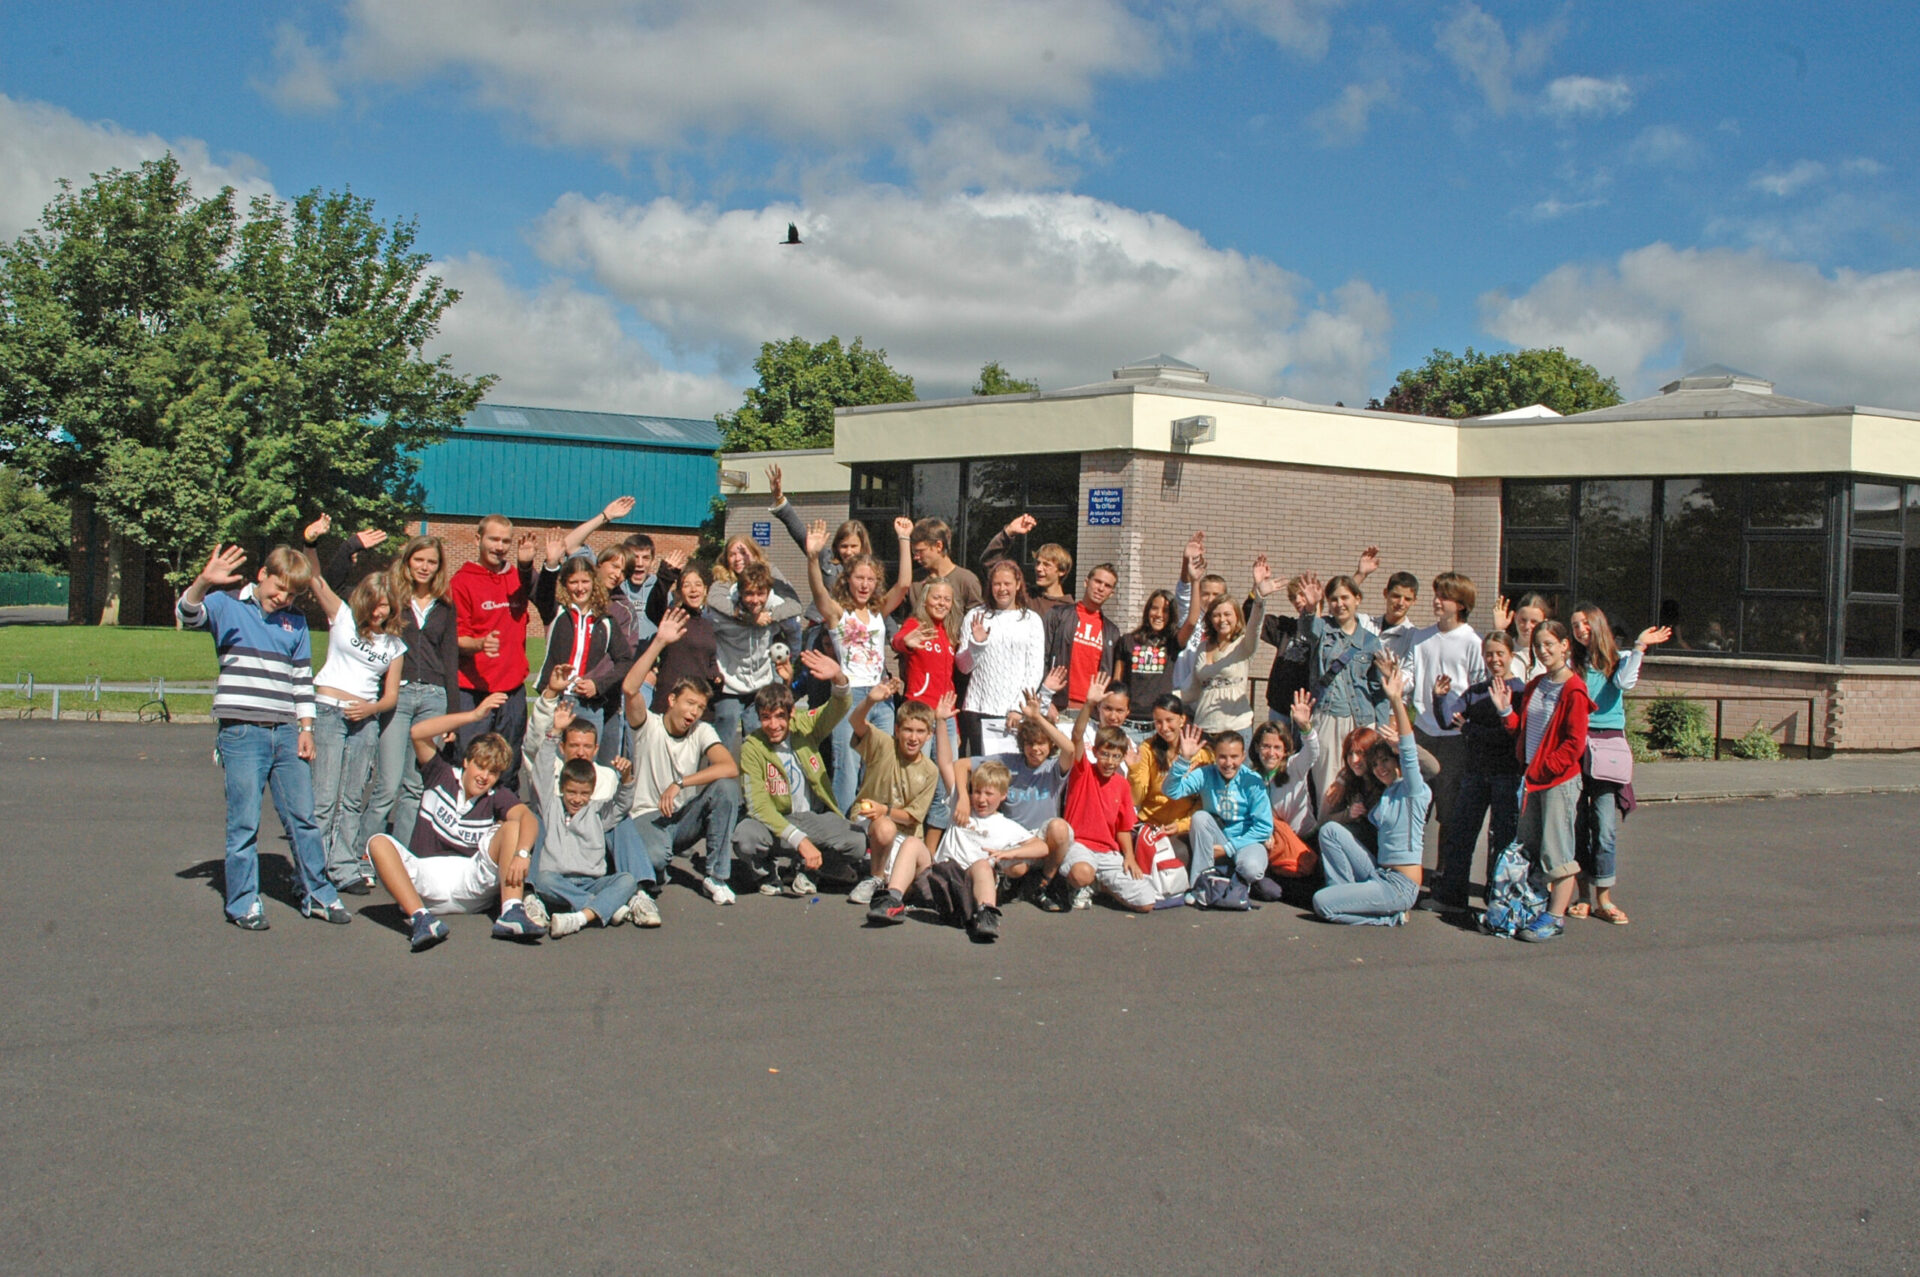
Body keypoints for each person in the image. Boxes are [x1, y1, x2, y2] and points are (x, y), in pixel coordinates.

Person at [177, 544, 349, 930]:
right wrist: (204, 581)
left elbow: (301, 680)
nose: (282, 598)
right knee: (244, 823)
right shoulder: (225, 606)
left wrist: (307, 728)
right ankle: (242, 902)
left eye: (291, 593)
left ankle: (318, 894)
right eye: (278, 588)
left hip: (287, 732)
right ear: (262, 574)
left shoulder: (296, 622)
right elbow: (186, 615)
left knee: (303, 818)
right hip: (241, 732)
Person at [363, 692, 546, 951]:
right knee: (378, 842)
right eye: (480, 767)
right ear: (467, 762)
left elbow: (528, 818)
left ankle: (511, 913)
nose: (484, 776)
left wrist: (523, 853)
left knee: (513, 826)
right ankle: (421, 919)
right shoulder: (441, 774)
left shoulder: (497, 796)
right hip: (426, 880)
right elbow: (418, 732)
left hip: (470, 886)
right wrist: (473, 716)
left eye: (493, 772)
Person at [865, 695, 1043, 941]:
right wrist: (939, 722)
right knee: (912, 843)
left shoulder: (1006, 827)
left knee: (982, 866)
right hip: (937, 879)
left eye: (988, 794)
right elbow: (946, 763)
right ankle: (892, 899)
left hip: (968, 890)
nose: (981, 799)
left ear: (1003, 796)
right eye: (977, 791)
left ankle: (986, 914)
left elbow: (1042, 846)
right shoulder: (963, 806)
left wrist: (1008, 854)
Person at [301, 516, 406, 895]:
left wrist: (371, 711)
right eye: (375, 605)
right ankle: (311, 868)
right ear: (364, 600)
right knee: (323, 798)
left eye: (386, 607)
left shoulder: (394, 645)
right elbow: (315, 581)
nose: (379, 613)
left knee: (350, 800)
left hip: (364, 722)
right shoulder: (342, 617)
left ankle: (343, 866)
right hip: (329, 713)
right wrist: (313, 543)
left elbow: (390, 695)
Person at [616, 608, 744, 904]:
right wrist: (659, 643)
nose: (693, 713)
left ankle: (716, 876)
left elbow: (727, 767)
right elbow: (629, 688)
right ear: (672, 700)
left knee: (725, 787)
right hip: (647, 816)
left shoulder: (701, 731)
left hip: (681, 817)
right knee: (656, 860)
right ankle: (650, 864)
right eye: (689, 704)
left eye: (699, 707)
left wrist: (682, 783)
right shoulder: (648, 725)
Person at [733, 649, 868, 896]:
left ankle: (811, 869)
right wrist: (800, 841)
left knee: (857, 842)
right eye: (765, 718)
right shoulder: (752, 747)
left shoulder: (804, 727)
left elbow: (838, 707)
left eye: (779, 716)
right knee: (745, 837)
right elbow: (759, 807)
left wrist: (838, 677)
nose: (773, 725)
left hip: (812, 818)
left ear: (791, 712)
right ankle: (767, 872)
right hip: (776, 821)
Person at [1567, 606, 1671, 926]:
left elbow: (1625, 683)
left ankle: (1604, 898)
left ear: (1598, 624)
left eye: (1585, 623)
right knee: (1575, 825)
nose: (1581, 630)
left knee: (1604, 828)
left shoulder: (1618, 659)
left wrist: (1639, 647)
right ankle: (1583, 897)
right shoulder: (1573, 663)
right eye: (1575, 626)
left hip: (1607, 748)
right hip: (1575, 745)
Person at [804, 516, 915, 812]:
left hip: (881, 698)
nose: (865, 585)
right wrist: (813, 558)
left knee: (877, 768)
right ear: (847, 580)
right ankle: (843, 832)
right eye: (859, 578)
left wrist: (904, 539)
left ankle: (869, 830)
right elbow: (819, 594)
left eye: (870, 579)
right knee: (847, 767)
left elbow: (904, 584)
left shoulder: (879, 611)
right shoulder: (839, 614)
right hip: (849, 699)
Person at [360, 533, 462, 852]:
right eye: (419, 560)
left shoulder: (444, 607)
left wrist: (452, 719)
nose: (424, 567)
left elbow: (450, 659)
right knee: (387, 786)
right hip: (398, 695)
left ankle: (401, 855)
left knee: (415, 785)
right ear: (407, 562)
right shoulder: (392, 600)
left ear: (439, 567)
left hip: (434, 696)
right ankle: (364, 852)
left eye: (431, 562)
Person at [1312, 652, 1428, 926]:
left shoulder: (1412, 790)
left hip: (1400, 886)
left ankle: (1389, 917)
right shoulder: (1384, 792)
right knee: (1330, 831)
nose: (1380, 768)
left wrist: (1396, 700)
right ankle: (1348, 896)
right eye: (1375, 764)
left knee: (1321, 903)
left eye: (1385, 761)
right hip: (1378, 872)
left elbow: (1410, 752)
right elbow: (1325, 820)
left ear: (1397, 760)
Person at [1497, 620, 1594, 942]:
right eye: (1539, 645)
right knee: (1529, 847)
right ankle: (1530, 907)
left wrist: (1543, 769)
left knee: (1557, 853)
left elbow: (1574, 744)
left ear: (1565, 645)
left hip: (1557, 782)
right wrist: (1504, 713)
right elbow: (1523, 729)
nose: (1544, 650)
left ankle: (1555, 918)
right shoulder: (1538, 684)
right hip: (1532, 780)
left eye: (1551, 644)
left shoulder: (1574, 688)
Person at [524, 699, 644, 938]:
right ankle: (602, 906)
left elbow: (621, 804)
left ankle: (579, 917)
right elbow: (541, 772)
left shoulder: (597, 812)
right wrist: (555, 732)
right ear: (562, 789)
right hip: (557, 880)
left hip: (592, 880)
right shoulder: (552, 806)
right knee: (543, 880)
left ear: (591, 793)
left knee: (627, 880)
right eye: (571, 793)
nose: (577, 799)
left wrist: (628, 777)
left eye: (583, 794)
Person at [1403, 572, 1487, 908]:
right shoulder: (1421, 638)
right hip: (1422, 732)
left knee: (1449, 813)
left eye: (1445, 596)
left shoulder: (1472, 642)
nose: (1437, 601)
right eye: (1436, 594)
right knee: (1415, 806)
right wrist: (1398, 679)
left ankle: (1444, 877)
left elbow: (1479, 687)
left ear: (1462, 604)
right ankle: (1408, 873)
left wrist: (1464, 718)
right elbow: (1409, 675)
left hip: (1454, 739)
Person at [1428, 630, 1527, 910]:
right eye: (1489, 654)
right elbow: (1449, 721)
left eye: (1500, 653)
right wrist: (1440, 698)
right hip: (1475, 774)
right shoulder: (1476, 692)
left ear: (1511, 655)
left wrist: (1471, 729)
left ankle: (1496, 899)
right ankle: (1453, 896)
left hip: (1506, 775)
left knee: (1502, 838)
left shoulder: (1520, 692)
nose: (1494, 659)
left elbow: (1509, 734)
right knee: (1461, 834)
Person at [952, 693, 1077, 899]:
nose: (1035, 749)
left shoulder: (1054, 768)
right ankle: (1011, 881)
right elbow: (960, 764)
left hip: (1045, 838)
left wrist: (1037, 719)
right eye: (1030, 744)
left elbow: (1070, 749)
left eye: (1041, 744)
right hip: (1016, 837)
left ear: (1050, 745)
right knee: (1017, 868)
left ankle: (1045, 881)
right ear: (1022, 745)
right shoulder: (1009, 762)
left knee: (1059, 827)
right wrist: (964, 798)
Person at [1052, 677, 1157, 913]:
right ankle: (1080, 883)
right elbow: (1076, 737)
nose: (1109, 761)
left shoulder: (1121, 783)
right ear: (1096, 752)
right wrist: (1088, 704)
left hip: (1108, 852)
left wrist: (1129, 857)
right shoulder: (1083, 771)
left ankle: (1101, 885)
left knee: (1146, 901)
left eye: (1115, 756)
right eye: (1105, 755)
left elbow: (1123, 827)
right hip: (1080, 846)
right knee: (1082, 873)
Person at [532, 542, 634, 767]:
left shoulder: (606, 621)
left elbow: (625, 660)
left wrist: (598, 684)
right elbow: (543, 595)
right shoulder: (557, 613)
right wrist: (551, 564)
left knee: (585, 768)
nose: (580, 588)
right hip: (557, 700)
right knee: (551, 764)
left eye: (585, 582)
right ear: (566, 585)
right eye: (573, 582)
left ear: (593, 583)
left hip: (590, 705)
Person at [451, 514, 538, 773]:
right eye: (493, 539)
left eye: (505, 541)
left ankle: (503, 813)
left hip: (511, 689)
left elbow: (547, 591)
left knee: (508, 765)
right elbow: (454, 638)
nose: (499, 546)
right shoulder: (461, 581)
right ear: (478, 539)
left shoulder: (517, 576)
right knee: (470, 761)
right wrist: (479, 645)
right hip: (472, 689)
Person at [842, 680, 940, 905]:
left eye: (920, 731)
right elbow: (856, 722)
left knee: (910, 882)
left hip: (905, 834)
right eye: (907, 730)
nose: (913, 738)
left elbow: (913, 816)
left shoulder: (929, 771)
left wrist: (885, 810)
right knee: (884, 826)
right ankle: (875, 878)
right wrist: (870, 701)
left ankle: (883, 878)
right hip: (869, 820)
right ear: (897, 730)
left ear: (929, 735)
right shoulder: (884, 745)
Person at [1295, 570, 1390, 801]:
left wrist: (1383, 728)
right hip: (1328, 716)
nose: (1339, 604)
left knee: (1362, 781)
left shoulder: (1371, 641)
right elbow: (1307, 629)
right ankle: (1324, 831)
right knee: (1327, 785)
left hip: (1361, 718)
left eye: (1345, 597)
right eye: (1334, 599)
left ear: (1357, 599)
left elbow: (1378, 690)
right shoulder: (1323, 629)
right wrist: (1309, 608)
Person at [1163, 716, 1274, 895]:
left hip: (1246, 841)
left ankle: (1232, 880)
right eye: (1222, 757)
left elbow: (1264, 828)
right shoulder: (1205, 774)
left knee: (1252, 869)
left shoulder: (1253, 781)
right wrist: (1184, 760)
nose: (1228, 763)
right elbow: (1172, 791)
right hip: (1218, 837)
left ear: (1243, 756)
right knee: (1200, 817)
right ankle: (1201, 886)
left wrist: (1228, 849)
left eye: (1234, 757)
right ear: (1214, 756)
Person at [709, 560, 807, 754]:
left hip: (761, 684)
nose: (755, 600)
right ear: (740, 592)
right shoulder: (723, 611)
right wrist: (711, 666)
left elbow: (794, 629)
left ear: (768, 592)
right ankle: (717, 781)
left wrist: (792, 657)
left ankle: (751, 783)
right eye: (749, 594)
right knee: (722, 742)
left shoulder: (776, 608)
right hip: (729, 683)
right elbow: (704, 633)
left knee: (756, 744)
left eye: (760, 594)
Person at [954, 558, 1048, 756]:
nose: (1002, 589)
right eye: (997, 584)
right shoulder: (975, 616)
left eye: (1007, 584)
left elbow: (1034, 670)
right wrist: (976, 644)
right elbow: (963, 667)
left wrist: (1018, 708)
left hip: (1013, 713)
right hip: (977, 708)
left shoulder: (1032, 620)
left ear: (1018, 585)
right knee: (980, 773)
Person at [894, 578, 960, 842]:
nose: (941, 603)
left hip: (947, 717)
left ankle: (930, 852)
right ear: (925, 600)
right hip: (919, 714)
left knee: (945, 785)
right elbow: (899, 641)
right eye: (936, 598)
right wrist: (904, 641)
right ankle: (908, 841)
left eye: (947, 599)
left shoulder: (951, 632)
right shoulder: (916, 625)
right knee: (915, 781)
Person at [1183, 556, 1274, 743]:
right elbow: (1191, 691)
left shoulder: (1243, 645)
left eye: (1227, 614)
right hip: (1203, 729)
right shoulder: (1202, 647)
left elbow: (1255, 625)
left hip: (1236, 729)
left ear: (1237, 617)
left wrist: (1260, 598)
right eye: (1216, 615)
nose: (1221, 619)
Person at [1249, 691, 1320, 895]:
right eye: (1266, 746)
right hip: (1274, 845)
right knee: (1272, 891)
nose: (1271, 753)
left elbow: (1312, 751)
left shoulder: (1294, 767)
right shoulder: (1251, 777)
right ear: (1256, 747)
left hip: (1304, 841)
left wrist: (1305, 727)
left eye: (1277, 747)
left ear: (1286, 750)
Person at [1130, 693, 1210, 871]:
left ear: (1182, 719)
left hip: (1182, 827)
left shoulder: (1202, 754)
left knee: (1178, 853)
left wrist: (1182, 825)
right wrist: (1134, 771)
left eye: (1169, 720)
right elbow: (1136, 799)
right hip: (1149, 824)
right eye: (1158, 722)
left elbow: (1202, 801)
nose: (1164, 727)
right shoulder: (1148, 749)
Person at [642, 551, 721, 716]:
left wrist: (717, 676)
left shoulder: (707, 625)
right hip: (670, 701)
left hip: (698, 704)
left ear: (706, 590)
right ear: (679, 592)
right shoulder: (673, 616)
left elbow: (710, 661)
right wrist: (666, 575)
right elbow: (654, 606)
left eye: (698, 585)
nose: (693, 590)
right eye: (686, 585)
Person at [1044, 562, 1120, 715]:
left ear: (1111, 593)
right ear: (1086, 582)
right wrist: (1046, 699)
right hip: (1058, 706)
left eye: (1107, 586)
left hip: (1091, 711)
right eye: (1097, 581)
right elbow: (1042, 657)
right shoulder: (1058, 615)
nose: (1101, 588)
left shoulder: (1112, 632)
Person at [1113, 589, 1177, 740]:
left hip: (1159, 726)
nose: (1159, 614)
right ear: (1147, 610)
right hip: (1129, 724)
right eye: (1154, 608)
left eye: (1166, 610)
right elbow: (1117, 682)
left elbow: (1192, 621)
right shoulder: (1127, 641)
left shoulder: (1173, 643)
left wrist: (1193, 581)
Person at [982, 512, 1073, 611]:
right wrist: (1009, 532)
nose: (1038, 568)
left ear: (1062, 571)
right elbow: (990, 562)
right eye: (1038, 563)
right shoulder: (1026, 596)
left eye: (1046, 565)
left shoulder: (1069, 609)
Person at [908, 518, 983, 615]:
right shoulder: (913, 581)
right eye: (914, 552)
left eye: (920, 551)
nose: (916, 557)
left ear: (939, 546)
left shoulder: (967, 581)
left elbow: (976, 621)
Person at [1361, 570, 1421, 660]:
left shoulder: (1413, 638)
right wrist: (1360, 574)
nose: (1401, 603)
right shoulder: (1366, 624)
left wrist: (1392, 674)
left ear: (1414, 601)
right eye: (1396, 596)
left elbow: (1409, 671)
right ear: (1385, 593)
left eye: (1407, 599)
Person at [1493, 593, 1552, 681]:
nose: (1527, 626)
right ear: (1515, 618)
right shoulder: (1506, 650)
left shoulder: (1549, 653)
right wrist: (1499, 630)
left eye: (1534, 622)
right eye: (1523, 620)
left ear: (1544, 622)